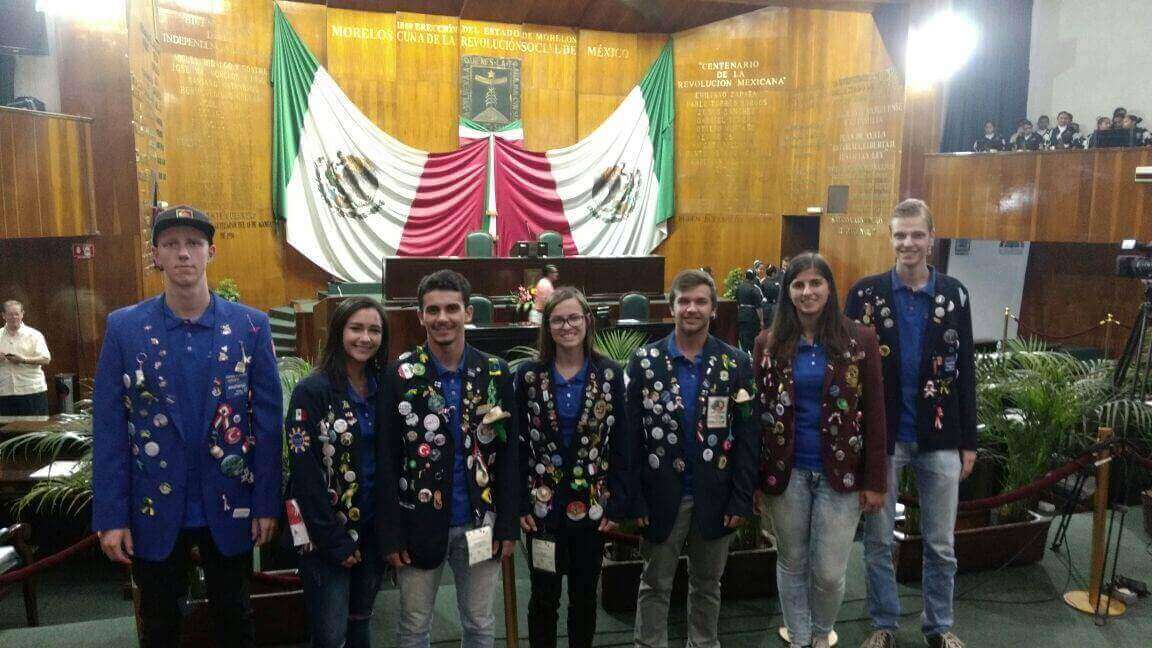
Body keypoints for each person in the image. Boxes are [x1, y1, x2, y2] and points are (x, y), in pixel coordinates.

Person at [92, 205, 282, 648]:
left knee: (235, 622)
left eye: (193, 244)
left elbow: (268, 424)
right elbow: (110, 429)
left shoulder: (250, 326)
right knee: (159, 627)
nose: (183, 253)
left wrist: (266, 503)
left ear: (211, 252)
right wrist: (111, 516)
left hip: (230, 502)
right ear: (155, 255)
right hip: (154, 507)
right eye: (171, 244)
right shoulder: (125, 328)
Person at [846, 199, 977, 648]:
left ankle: (939, 626)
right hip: (882, 440)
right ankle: (883, 623)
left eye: (917, 234)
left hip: (941, 438)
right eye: (900, 234)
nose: (908, 243)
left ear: (931, 237)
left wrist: (969, 441)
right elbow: (848, 374)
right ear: (890, 237)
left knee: (940, 544)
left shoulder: (955, 294)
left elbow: (966, 369)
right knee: (878, 542)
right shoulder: (864, 295)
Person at [375, 269, 519, 648]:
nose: (443, 318)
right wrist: (390, 533)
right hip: (417, 523)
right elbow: (386, 458)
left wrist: (508, 525)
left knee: (480, 623)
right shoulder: (400, 375)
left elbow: (509, 458)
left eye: (452, 308)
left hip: (480, 522)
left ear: (468, 312)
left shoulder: (495, 372)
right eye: (433, 310)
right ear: (420, 315)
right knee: (414, 626)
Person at [754, 252, 888, 648]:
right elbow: (758, 413)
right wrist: (755, 480)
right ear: (788, 292)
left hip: (842, 474)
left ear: (830, 288)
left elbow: (875, 413)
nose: (807, 292)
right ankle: (799, 638)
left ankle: (820, 634)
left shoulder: (860, 339)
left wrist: (875, 480)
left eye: (815, 283)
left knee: (829, 571)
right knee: (792, 562)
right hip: (787, 471)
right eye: (798, 284)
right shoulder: (767, 342)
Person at [629, 268, 760, 648]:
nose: (691, 308)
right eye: (683, 301)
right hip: (659, 495)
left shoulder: (736, 363)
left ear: (714, 309)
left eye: (701, 301)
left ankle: (703, 644)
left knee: (707, 585)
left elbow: (748, 437)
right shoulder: (645, 361)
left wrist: (741, 498)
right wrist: (634, 497)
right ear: (671, 307)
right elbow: (630, 438)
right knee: (654, 584)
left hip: (715, 495)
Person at [516, 287, 629, 648]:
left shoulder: (609, 374)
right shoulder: (529, 376)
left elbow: (623, 443)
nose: (567, 326)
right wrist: (520, 502)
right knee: (543, 597)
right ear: (547, 326)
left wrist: (616, 503)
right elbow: (517, 444)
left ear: (587, 321)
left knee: (583, 598)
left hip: (592, 508)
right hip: (543, 511)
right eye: (558, 320)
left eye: (574, 318)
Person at [285, 296, 389, 648]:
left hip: (374, 529)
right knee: (330, 635)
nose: (365, 338)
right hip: (325, 534)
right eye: (356, 328)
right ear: (338, 332)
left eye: (374, 330)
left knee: (361, 622)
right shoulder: (311, 391)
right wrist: (333, 540)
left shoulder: (384, 387)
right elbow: (305, 476)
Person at [0, 299, 51, 416]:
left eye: (16, 314)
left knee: (35, 427)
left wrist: (23, 360)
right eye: (10, 314)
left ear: (22, 314)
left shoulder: (34, 335)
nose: (14, 317)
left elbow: (46, 359)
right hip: (4, 392)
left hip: (32, 391)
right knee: (6, 428)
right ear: (3, 315)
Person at [736, 269, 765, 353]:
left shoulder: (739, 287)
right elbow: (758, 307)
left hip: (741, 315)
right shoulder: (755, 289)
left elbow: (737, 303)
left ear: (745, 276)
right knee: (752, 339)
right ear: (754, 278)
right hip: (752, 317)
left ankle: (744, 354)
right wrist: (761, 320)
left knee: (743, 338)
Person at [756, 262, 782, 329]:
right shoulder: (776, 284)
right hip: (772, 307)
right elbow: (778, 295)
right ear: (773, 273)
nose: (777, 275)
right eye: (776, 273)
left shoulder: (762, 282)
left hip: (764, 306)